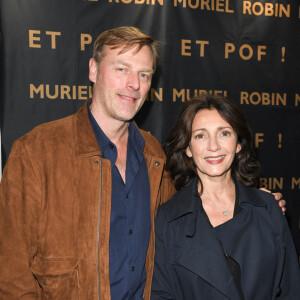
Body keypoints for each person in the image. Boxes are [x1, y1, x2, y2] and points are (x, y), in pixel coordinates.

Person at [0, 27, 285, 299]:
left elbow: (195, 212)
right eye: (121, 68)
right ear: (93, 69)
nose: (133, 84)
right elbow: (11, 274)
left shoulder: (154, 156)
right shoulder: (36, 151)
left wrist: (253, 206)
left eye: (144, 74)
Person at [150, 95, 299, 299]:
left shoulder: (268, 209)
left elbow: (290, 290)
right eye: (200, 136)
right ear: (188, 149)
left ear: (238, 144)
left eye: (224, 133)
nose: (214, 146)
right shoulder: (168, 219)